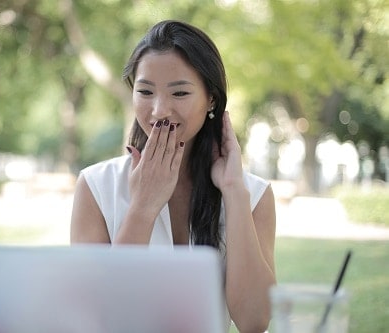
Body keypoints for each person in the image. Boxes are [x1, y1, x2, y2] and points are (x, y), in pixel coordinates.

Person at [70, 20, 276, 333]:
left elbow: (254, 321)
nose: (159, 110)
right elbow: (96, 316)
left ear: (211, 100)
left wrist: (233, 191)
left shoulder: (253, 194)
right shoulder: (96, 186)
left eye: (179, 92)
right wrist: (142, 207)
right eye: (145, 92)